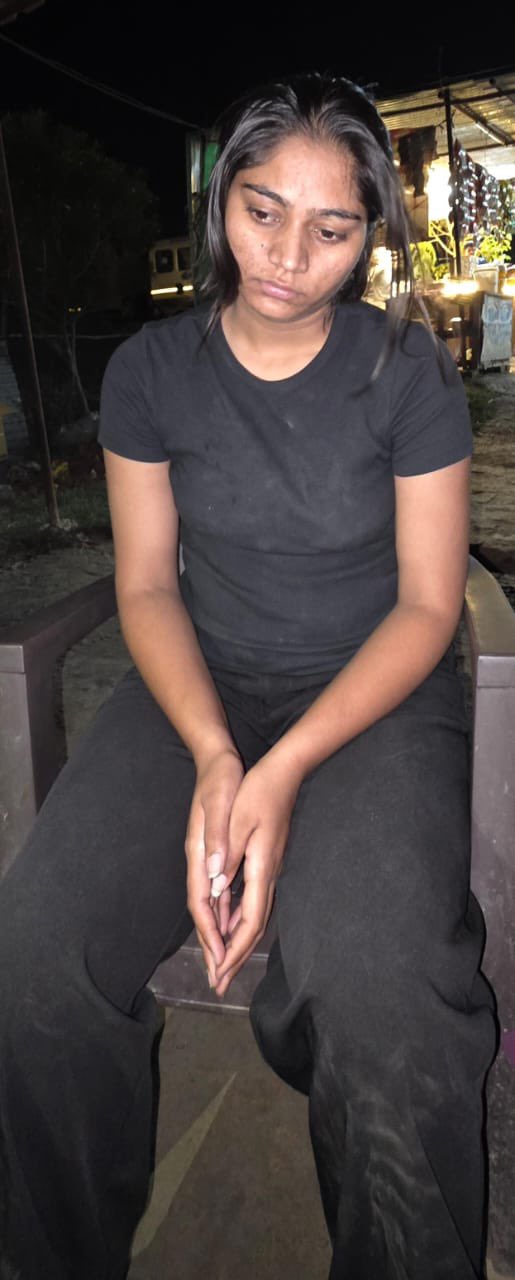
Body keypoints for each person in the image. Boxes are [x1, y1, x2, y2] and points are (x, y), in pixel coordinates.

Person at [0, 73, 498, 1280]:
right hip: (197, 689)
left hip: (372, 697)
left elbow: (427, 603)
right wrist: (219, 754)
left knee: (381, 988)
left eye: (330, 228)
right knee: (35, 952)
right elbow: (146, 586)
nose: (286, 256)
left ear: (368, 234)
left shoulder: (405, 374)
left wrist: (279, 770)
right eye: (262, 211)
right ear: (223, 199)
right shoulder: (151, 372)